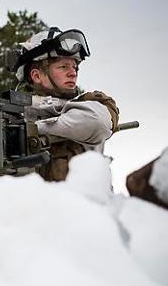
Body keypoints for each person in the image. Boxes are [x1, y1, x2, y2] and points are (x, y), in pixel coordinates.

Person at [11, 27, 119, 181]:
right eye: (63, 67)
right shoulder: (16, 114)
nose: (73, 73)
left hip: (91, 203)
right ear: (36, 75)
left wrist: (33, 129)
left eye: (75, 67)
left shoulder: (88, 106)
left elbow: (97, 122)